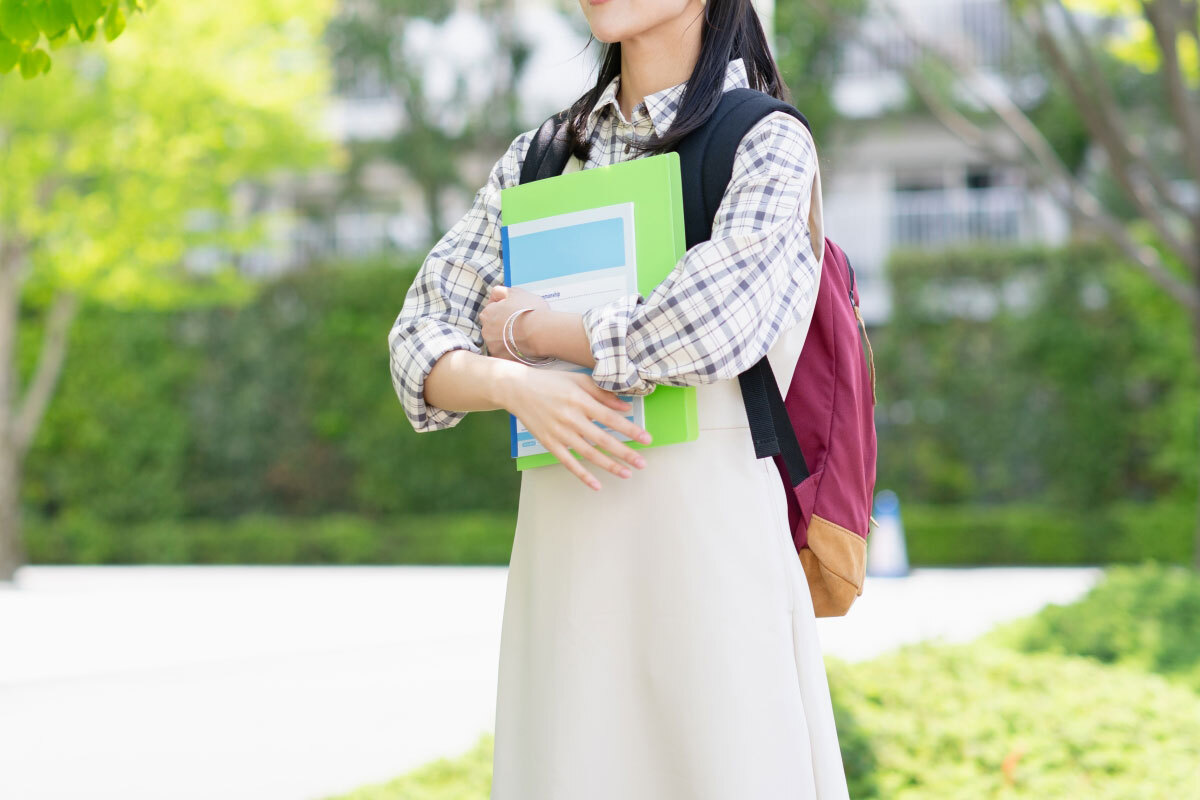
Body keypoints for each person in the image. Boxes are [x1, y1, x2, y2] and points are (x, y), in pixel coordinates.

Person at [386, 0, 847, 797]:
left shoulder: (764, 139)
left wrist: (533, 329)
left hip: (707, 549)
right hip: (565, 553)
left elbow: (711, 327)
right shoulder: (542, 155)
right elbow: (414, 343)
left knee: (723, 763)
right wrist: (512, 386)